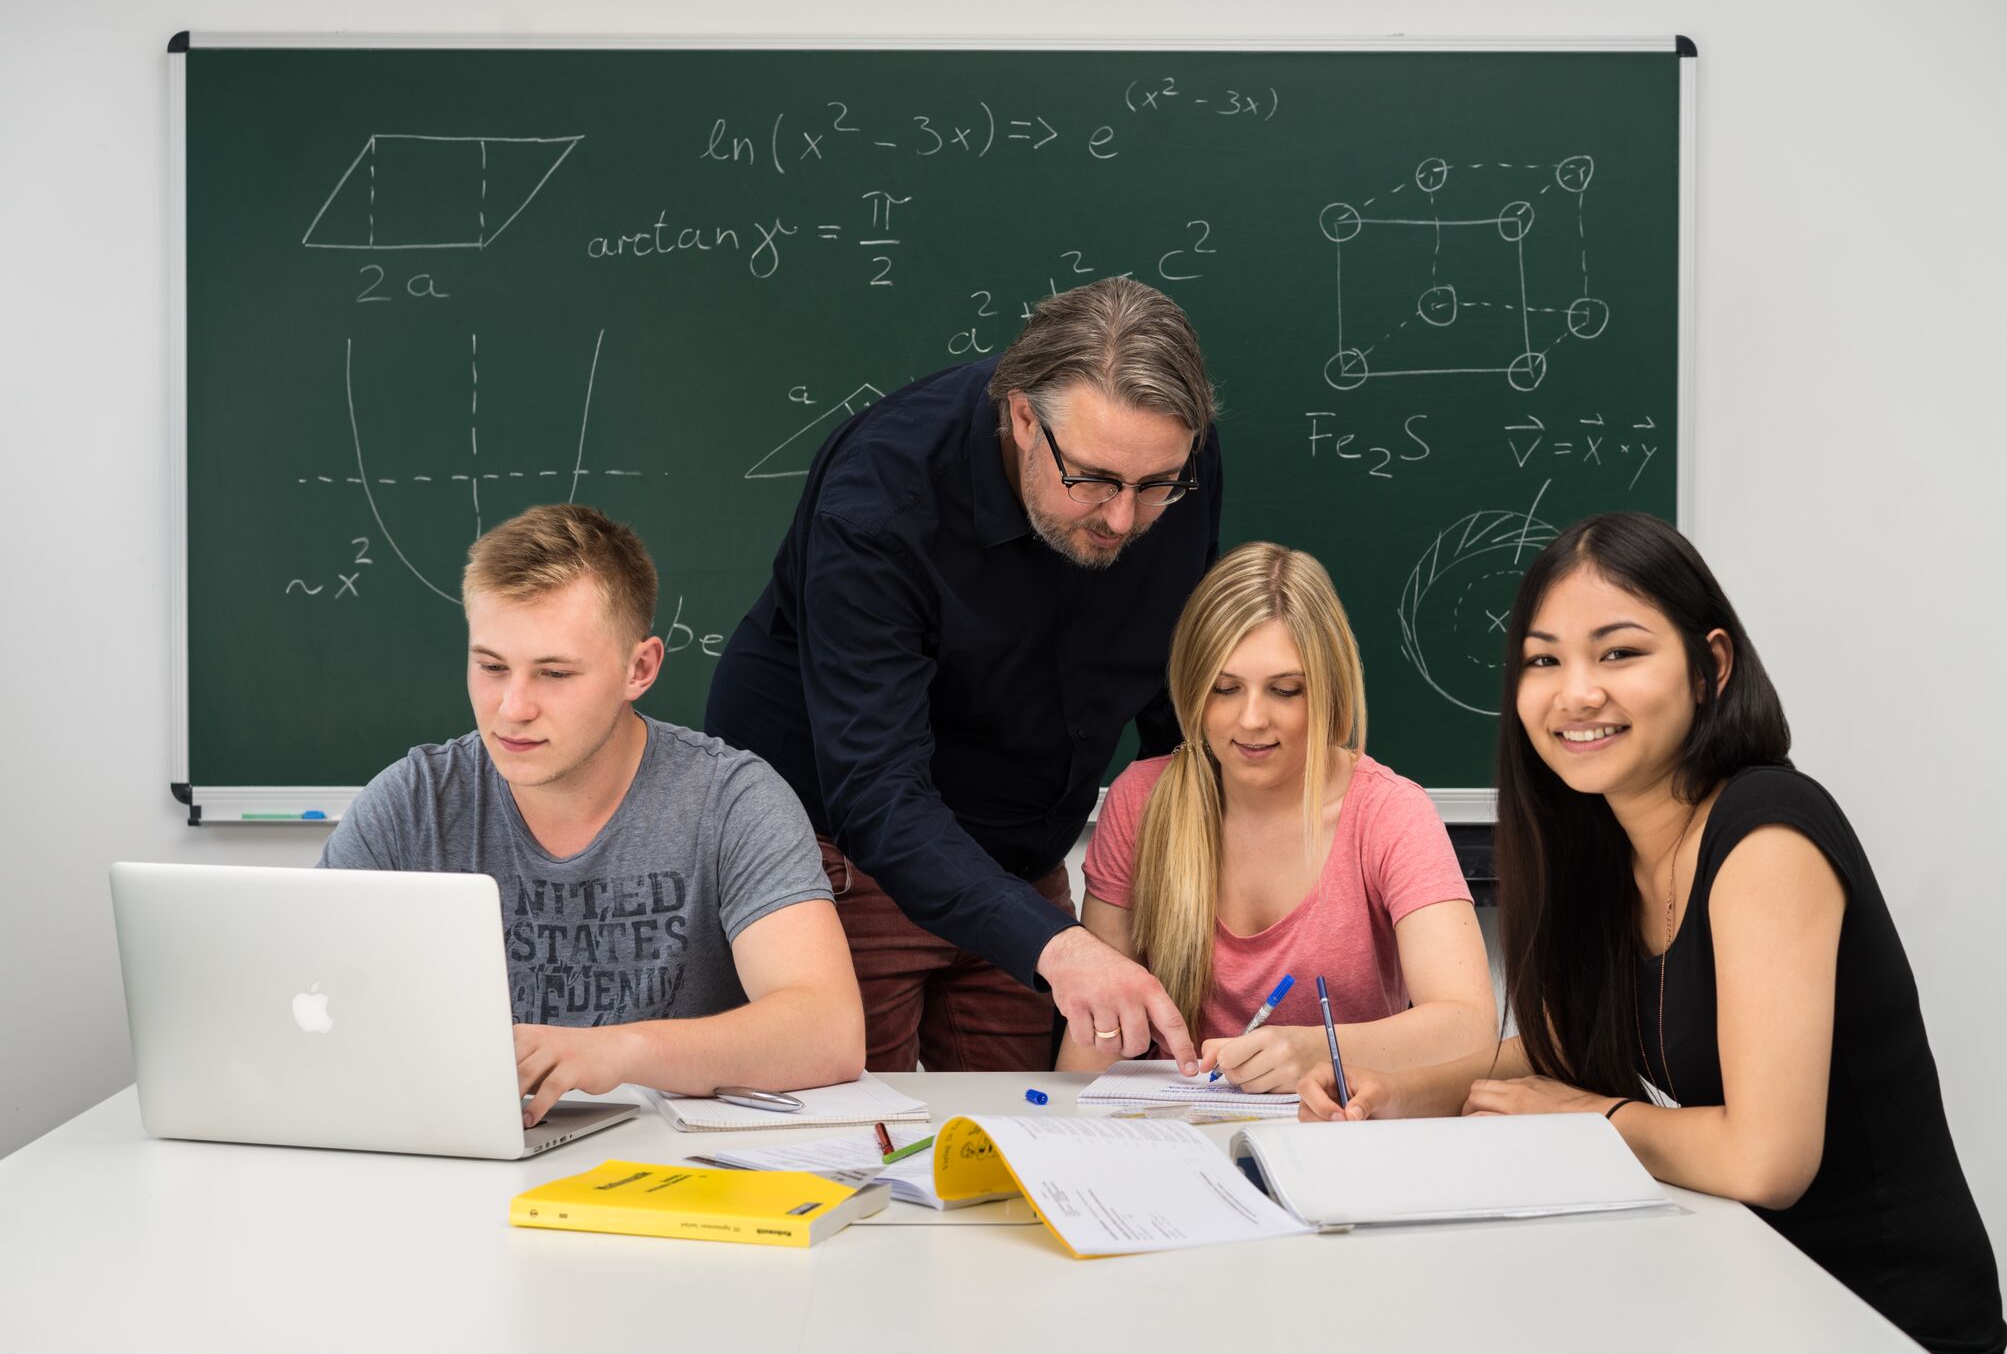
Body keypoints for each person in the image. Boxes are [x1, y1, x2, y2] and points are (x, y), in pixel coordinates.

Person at [1297, 512, 2005, 1353]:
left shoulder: (1767, 832)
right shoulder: (1604, 842)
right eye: (1543, 659)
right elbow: (1558, 1050)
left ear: (1712, 665)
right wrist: (1398, 1095)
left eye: (1620, 652)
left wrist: (1595, 1117)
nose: (1577, 691)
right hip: (1737, 1287)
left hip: (1876, 1317)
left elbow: (1767, 1161)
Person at [705, 276, 1222, 1074]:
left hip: (1021, 853)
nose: (1124, 518)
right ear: (1022, 417)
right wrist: (1054, 943)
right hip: (845, 851)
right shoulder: (880, 496)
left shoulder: (1164, 451)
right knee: (852, 1144)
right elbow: (875, 789)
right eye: (1093, 480)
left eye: (1154, 487)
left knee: (1022, 1140)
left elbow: (1171, 677)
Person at [320, 503, 863, 1127]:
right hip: (467, 1161)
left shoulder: (734, 800)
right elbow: (302, 996)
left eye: (554, 673)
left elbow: (828, 1029)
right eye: (491, 667)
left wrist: (623, 1051)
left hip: (673, 1176)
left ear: (641, 668)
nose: (512, 708)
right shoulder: (410, 802)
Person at [1055, 542, 1495, 1086]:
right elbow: (1094, 1045)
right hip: (1174, 1134)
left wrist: (1318, 1050)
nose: (1253, 718)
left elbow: (1468, 1026)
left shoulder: (1389, 811)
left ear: (1329, 691)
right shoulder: (1140, 802)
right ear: (1192, 690)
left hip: (1340, 1135)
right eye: (1225, 688)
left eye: (1285, 691)